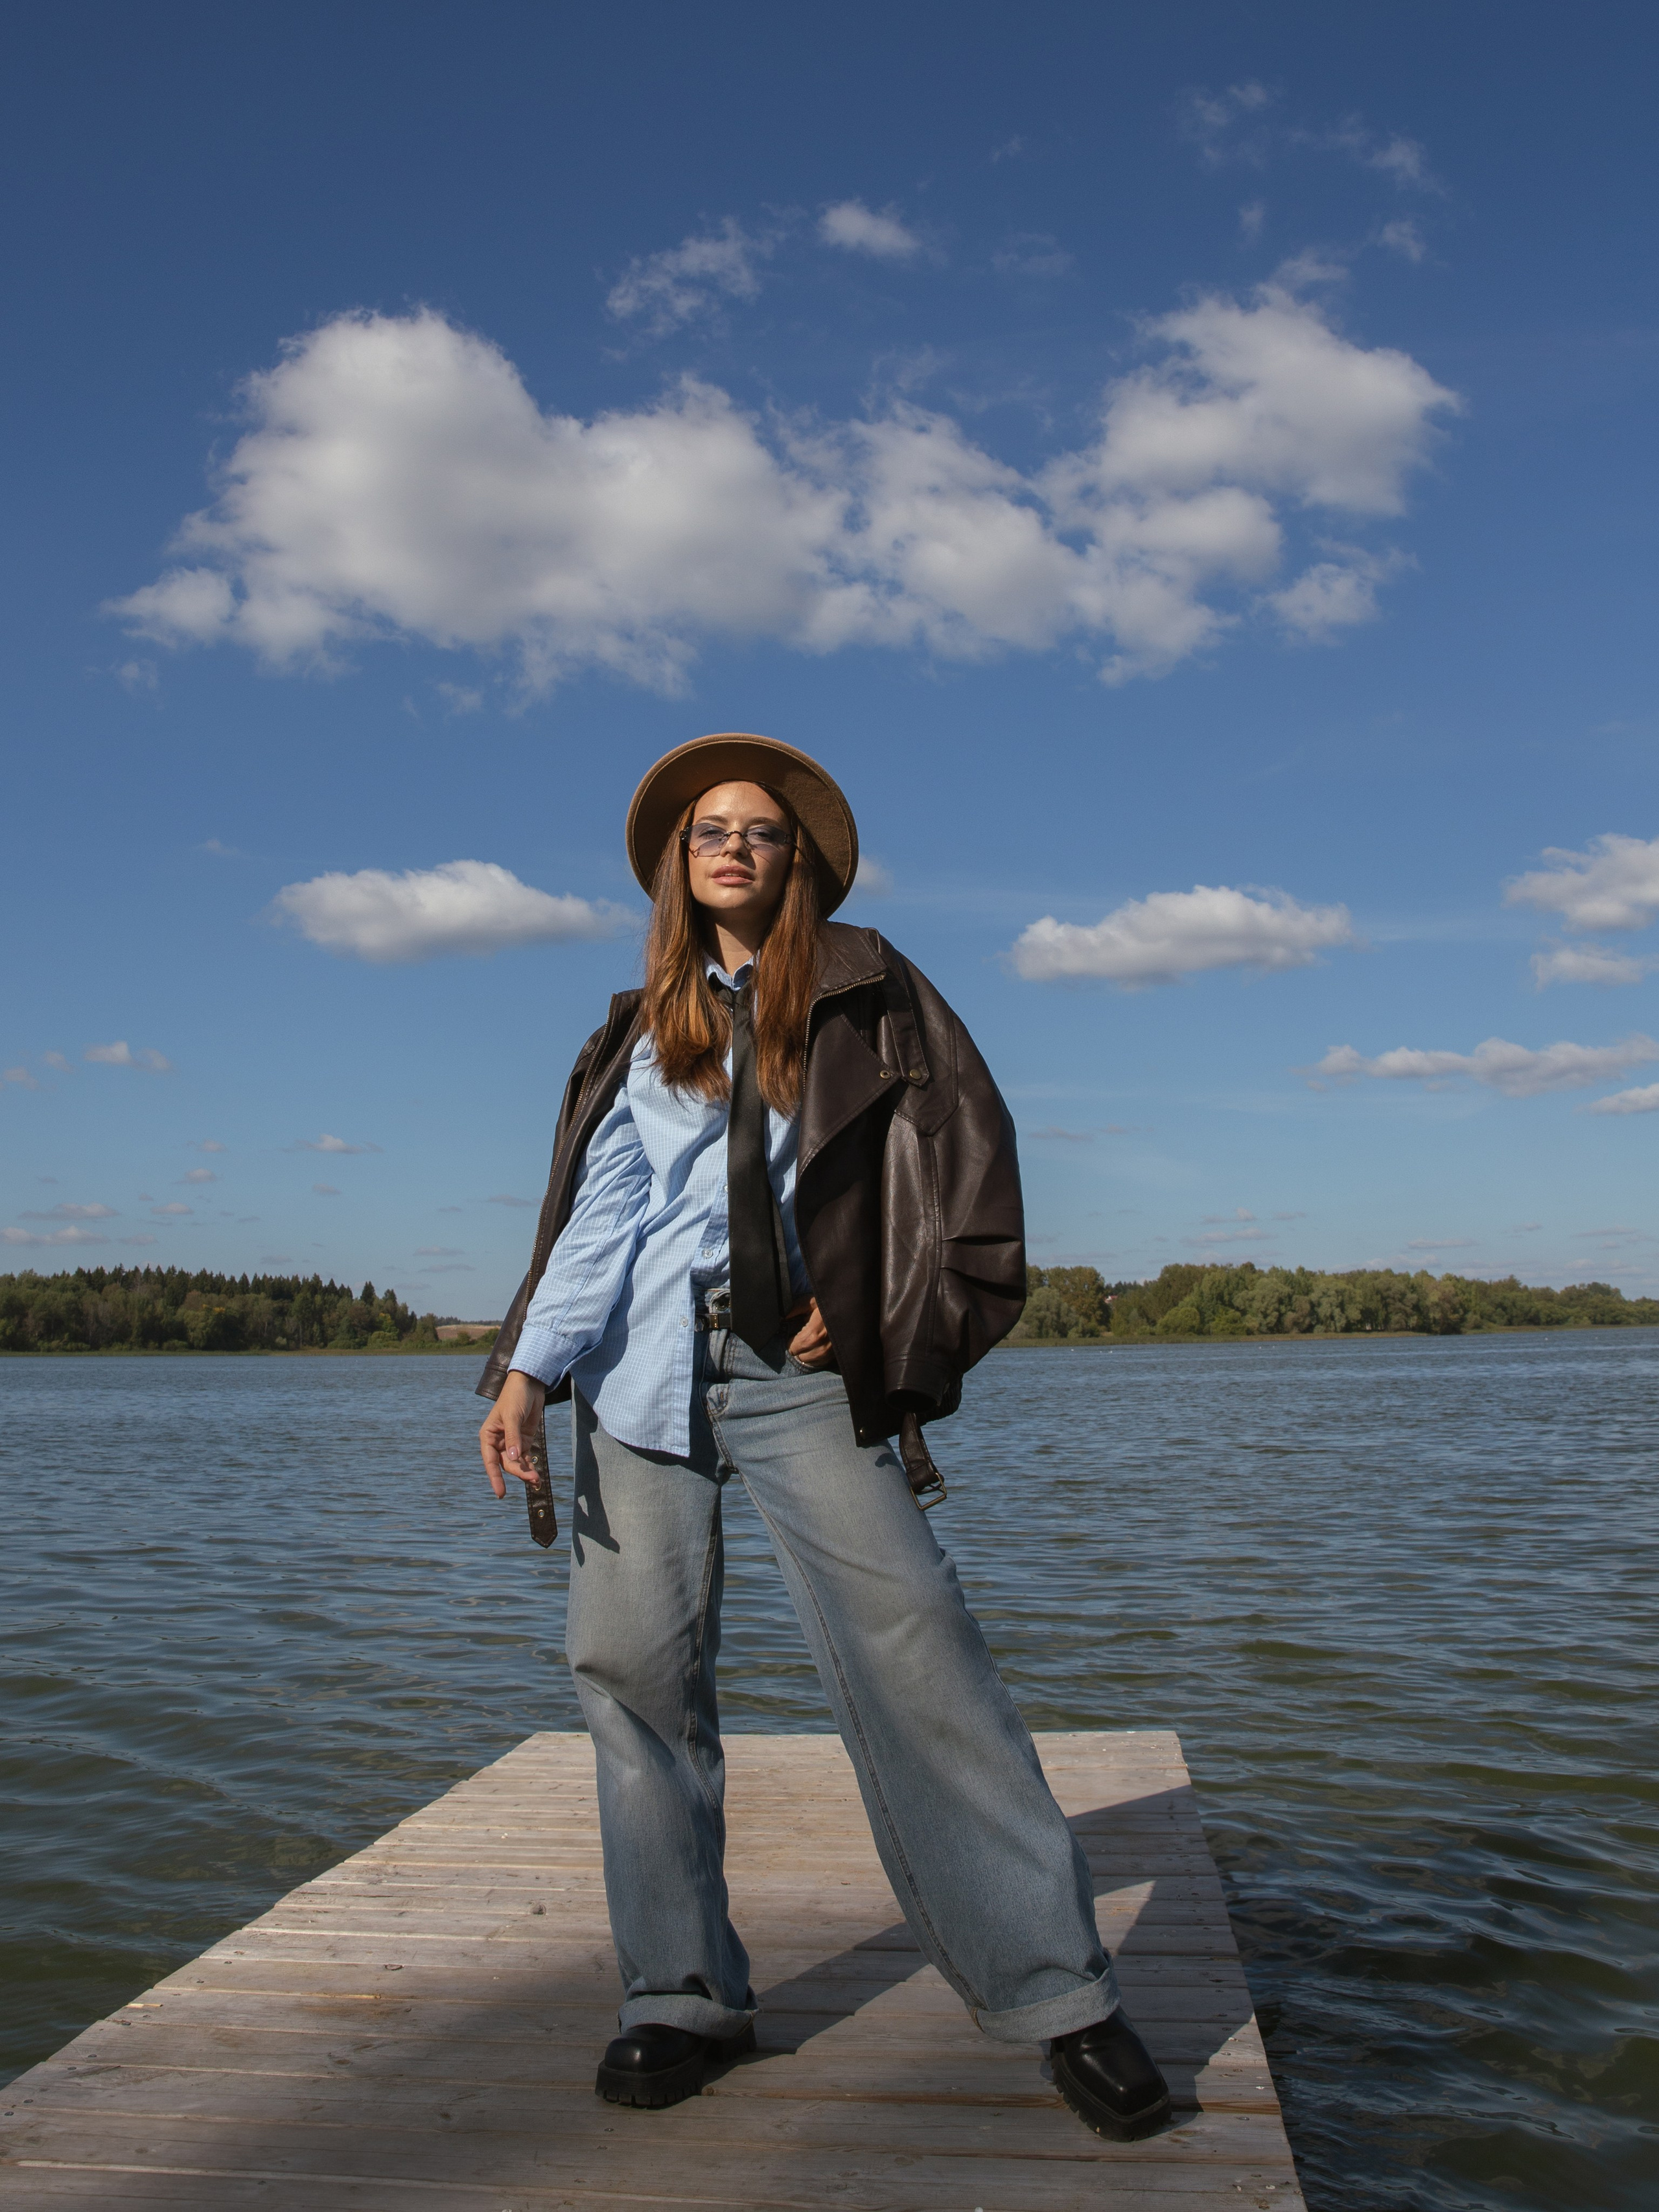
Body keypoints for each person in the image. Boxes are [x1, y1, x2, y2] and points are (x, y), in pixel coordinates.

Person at [476, 732, 1171, 2142]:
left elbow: (969, 1162)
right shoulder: (638, 1026)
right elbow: (603, 1216)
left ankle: (1057, 1992)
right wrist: (525, 1371)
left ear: (797, 860)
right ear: (680, 867)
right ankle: (680, 1996)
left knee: (920, 1649)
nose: (732, 844)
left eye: (759, 829)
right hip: (638, 1373)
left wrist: (881, 1321)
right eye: (708, 830)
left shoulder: (868, 988)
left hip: (798, 1367)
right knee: (631, 1675)